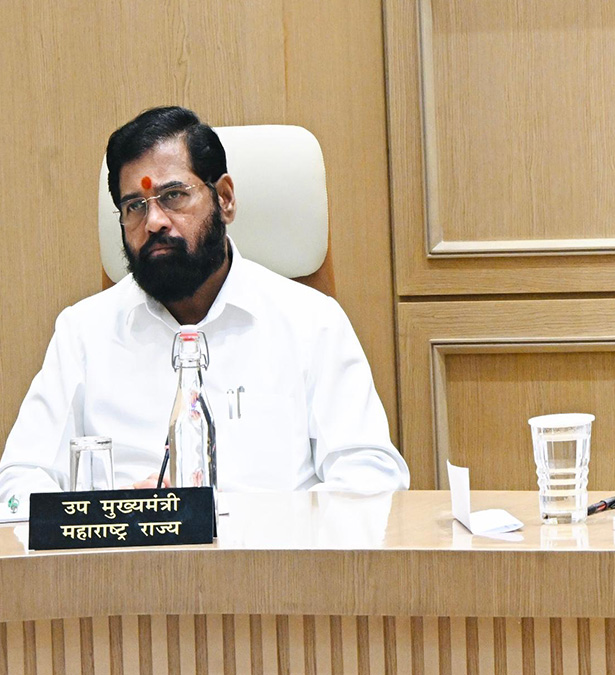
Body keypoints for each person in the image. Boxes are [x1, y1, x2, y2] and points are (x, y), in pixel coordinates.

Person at [0, 107, 408, 506]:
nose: (154, 221)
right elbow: (16, 487)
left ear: (225, 199)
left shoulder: (311, 322)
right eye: (134, 206)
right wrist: (114, 510)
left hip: (270, 565)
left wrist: (244, 519)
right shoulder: (83, 333)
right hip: (127, 566)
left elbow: (372, 477)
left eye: (173, 195)